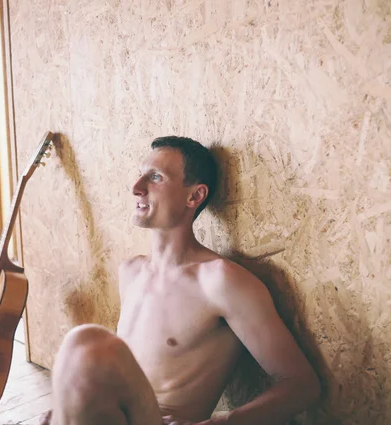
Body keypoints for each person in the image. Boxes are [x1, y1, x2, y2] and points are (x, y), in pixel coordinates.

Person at [42, 136, 320, 425]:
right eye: (140, 175)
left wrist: (220, 423)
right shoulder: (131, 272)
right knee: (82, 356)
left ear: (195, 197)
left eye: (156, 177)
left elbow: (302, 384)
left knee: (85, 341)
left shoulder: (219, 281)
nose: (136, 188)